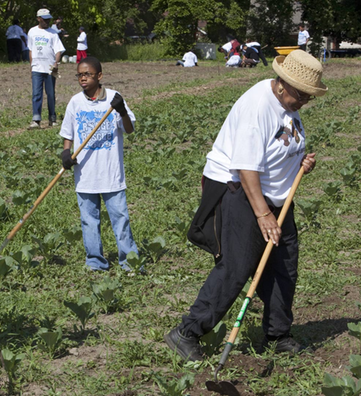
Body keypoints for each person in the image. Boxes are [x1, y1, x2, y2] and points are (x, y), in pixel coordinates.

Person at [164, 50, 326, 362]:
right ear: (283, 84)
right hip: (238, 189)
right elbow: (246, 166)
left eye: (309, 96)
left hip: (277, 195)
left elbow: (283, 144)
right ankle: (187, 332)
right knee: (238, 265)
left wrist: (300, 162)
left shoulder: (288, 105)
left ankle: (278, 334)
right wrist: (263, 214)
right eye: (302, 95)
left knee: (283, 263)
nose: (305, 101)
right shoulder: (258, 106)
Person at [59, 57, 139, 272]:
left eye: (87, 74)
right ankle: (95, 261)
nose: (83, 78)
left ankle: (130, 261)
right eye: (79, 75)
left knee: (120, 219)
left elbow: (129, 129)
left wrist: (121, 111)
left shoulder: (114, 99)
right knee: (89, 221)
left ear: (99, 76)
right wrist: (66, 152)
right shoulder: (75, 102)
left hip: (110, 173)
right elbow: (68, 132)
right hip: (85, 174)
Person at [27, 8, 65, 129]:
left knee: (50, 94)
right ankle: (36, 119)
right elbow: (30, 49)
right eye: (44, 19)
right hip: (37, 68)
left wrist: (56, 63)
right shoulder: (32, 32)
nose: (47, 22)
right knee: (36, 94)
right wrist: (32, 64)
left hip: (49, 68)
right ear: (38, 18)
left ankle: (52, 118)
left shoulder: (53, 33)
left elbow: (58, 50)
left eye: (48, 19)